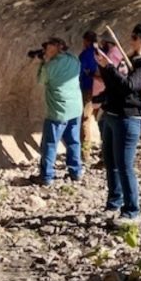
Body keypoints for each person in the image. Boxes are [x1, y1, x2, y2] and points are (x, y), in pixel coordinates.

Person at [95, 21, 141, 225]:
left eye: (134, 37)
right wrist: (105, 68)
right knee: (111, 163)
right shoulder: (130, 59)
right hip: (112, 114)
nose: (131, 40)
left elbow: (129, 86)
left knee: (125, 166)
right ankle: (113, 204)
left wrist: (110, 68)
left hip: (128, 118)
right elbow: (115, 85)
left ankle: (131, 211)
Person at [34, 37, 84, 186]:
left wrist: (43, 62)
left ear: (55, 47)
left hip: (58, 110)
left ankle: (46, 176)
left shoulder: (50, 67)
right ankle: (76, 172)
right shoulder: (74, 59)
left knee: (50, 144)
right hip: (75, 107)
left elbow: (41, 81)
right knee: (74, 141)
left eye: (47, 47)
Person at [77, 31, 100, 161]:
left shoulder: (85, 54)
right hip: (102, 90)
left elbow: (80, 72)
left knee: (85, 120)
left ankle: (85, 154)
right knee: (102, 119)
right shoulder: (101, 52)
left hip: (87, 89)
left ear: (86, 41)